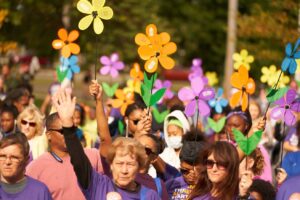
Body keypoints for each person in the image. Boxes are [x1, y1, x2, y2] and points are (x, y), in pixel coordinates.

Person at [53, 88, 160, 199]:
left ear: (138, 166)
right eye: (119, 163)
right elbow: (79, 160)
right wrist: (67, 125)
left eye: (130, 164)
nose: (124, 170)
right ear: (111, 165)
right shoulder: (97, 185)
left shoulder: (150, 196)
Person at [26, 112, 104, 200]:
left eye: (72, 130)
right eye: (63, 131)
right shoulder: (35, 169)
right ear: (49, 135)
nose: (68, 134)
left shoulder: (93, 156)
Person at [0, 132, 52, 199]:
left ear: (26, 160)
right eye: (2, 156)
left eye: (14, 157)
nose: (7, 162)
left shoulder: (39, 192)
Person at [166, 131, 207, 199]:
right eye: (185, 171)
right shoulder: (170, 185)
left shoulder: (212, 188)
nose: (191, 175)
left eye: (197, 171)